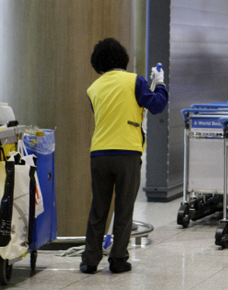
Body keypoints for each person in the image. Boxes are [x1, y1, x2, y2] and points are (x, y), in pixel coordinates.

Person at [80, 38, 168, 274]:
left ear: (98, 63)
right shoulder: (134, 81)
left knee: (99, 208)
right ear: (123, 59)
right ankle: (118, 259)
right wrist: (159, 83)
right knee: (124, 208)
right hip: (127, 153)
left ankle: (89, 260)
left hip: (99, 154)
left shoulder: (93, 88)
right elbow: (157, 105)